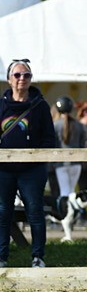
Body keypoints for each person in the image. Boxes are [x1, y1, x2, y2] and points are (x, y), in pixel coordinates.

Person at [0, 60, 57, 268]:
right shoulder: (1, 105)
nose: (22, 79)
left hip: (32, 170)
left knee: (35, 211)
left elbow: (49, 138)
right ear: (9, 80)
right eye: (17, 75)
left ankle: (38, 257)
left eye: (26, 75)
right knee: (2, 212)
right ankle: (1, 257)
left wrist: (38, 158)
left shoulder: (40, 106)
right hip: (4, 170)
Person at [51, 95, 85, 215]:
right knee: (71, 191)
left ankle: (64, 215)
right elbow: (82, 145)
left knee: (64, 192)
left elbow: (53, 145)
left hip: (61, 163)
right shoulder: (79, 125)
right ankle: (73, 215)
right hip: (76, 163)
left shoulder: (55, 125)